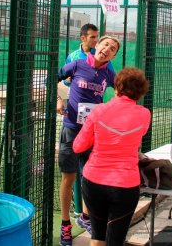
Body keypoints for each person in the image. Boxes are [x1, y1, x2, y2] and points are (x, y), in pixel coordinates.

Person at [72, 67, 151, 246]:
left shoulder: (99, 110)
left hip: (94, 182)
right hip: (125, 185)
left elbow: (78, 146)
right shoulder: (144, 114)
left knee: (97, 235)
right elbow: (140, 133)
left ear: (116, 88)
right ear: (140, 93)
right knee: (116, 239)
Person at [56, 35, 120, 246]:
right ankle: (65, 224)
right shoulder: (76, 64)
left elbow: (121, 94)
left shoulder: (109, 73)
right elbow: (54, 79)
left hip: (94, 133)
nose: (107, 49)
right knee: (69, 177)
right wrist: (59, 100)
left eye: (112, 48)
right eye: (105, 44)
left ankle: (85, 217)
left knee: (91, 178)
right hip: (72, 131)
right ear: (97, 45)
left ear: (113, 56)